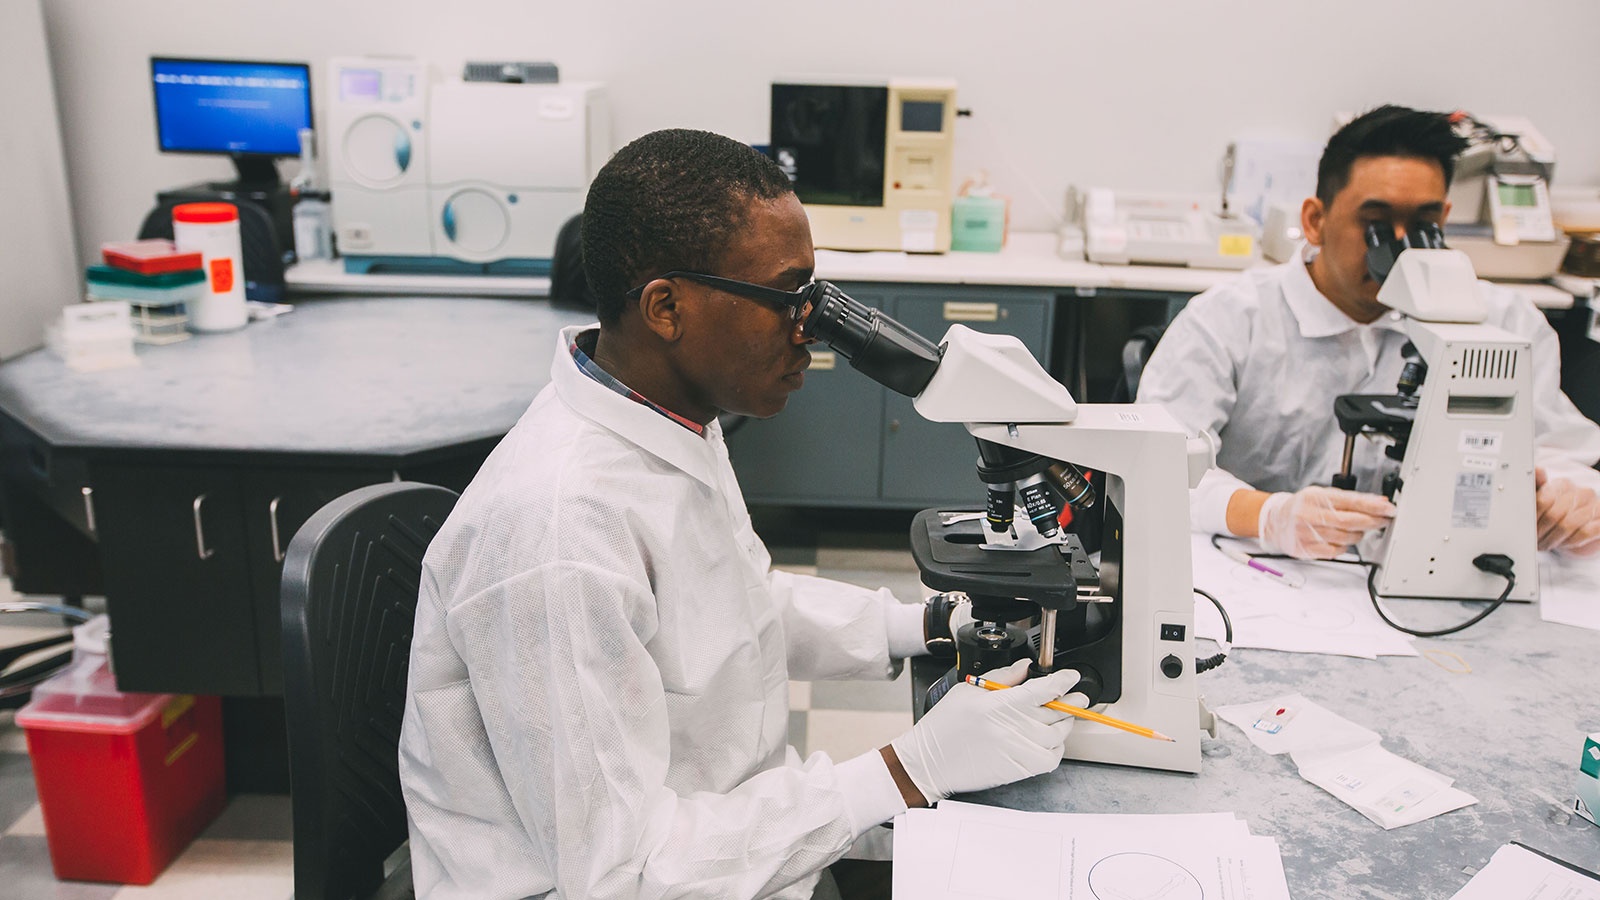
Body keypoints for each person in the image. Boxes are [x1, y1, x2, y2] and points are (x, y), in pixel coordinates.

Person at [398, 129, 1085, 900]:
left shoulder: (669, 418)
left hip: (733, 846)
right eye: (788, 301)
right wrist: (906, 769)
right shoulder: (559, 531)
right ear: (666, 307)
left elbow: (739, 601)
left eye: (816, 300)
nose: (811, 331)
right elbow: (620, 874)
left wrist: (923, 623)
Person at [1139, 105, 1600, 560]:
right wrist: (1268, 515)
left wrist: (1570, 499)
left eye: (1423, 225)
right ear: (1315, 221)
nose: (1399, 247)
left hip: (1439, 575)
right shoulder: (1229, 319)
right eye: (1375, 224)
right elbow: (1155, 468)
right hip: (1261, 574)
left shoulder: (1504, 322)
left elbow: (1563, 452)